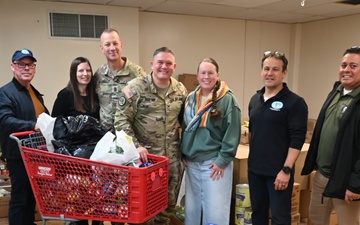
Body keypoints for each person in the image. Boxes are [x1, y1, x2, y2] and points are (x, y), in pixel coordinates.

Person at [114, 47, 188, 225]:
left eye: (168, 63)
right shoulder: (135, 88)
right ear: (152, 64)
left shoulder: (180, 90)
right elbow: (121, 121)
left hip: (171, 161)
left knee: (168, 205)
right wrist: (136, 146)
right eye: (160, 62)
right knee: (143, 208)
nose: (164, 66)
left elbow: (185, 123)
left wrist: (186, 152)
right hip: (145, 161)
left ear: (174, 66)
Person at [301, 46, 360, 225]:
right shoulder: (335, 92)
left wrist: (356, 184)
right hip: (322, 176)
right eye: (343, 65)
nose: (346, 69)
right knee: (317, 219)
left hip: (346, 181)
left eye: (353, 65)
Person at [248, 51, 308, 225]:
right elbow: (253, 133)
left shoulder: (295, 103)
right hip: (255, 171)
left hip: (279, 173)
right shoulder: (255, 100)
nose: (270, 73)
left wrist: (286, 170)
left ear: (284, 72)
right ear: (261, 71)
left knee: (280, 218)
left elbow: (297, 138)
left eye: (275, 69)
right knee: (258, 215)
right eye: (266, 69)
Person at [181, 58, 241, 225]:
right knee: (191, 212)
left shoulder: (227, 99)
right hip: (192, 163)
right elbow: (184, 128)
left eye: (210, 73)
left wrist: (222, 160)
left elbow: (233, 132)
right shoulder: (191, 98)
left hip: (215, 164)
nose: (206, 76)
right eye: (203, 73)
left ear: (217, 75)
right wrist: (183, 154)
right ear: (197, 76)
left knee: (215, 213)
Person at [0, 48, 48, 225]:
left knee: (32, 196)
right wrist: (32, 125)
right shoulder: (5, 92)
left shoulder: (33, 92)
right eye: (21, 64)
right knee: (20, 198)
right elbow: (5, 120)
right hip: (17, 154)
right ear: (13, 67)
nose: (26, 68)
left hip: (34, 153)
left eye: (30, 65)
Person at [51, 56, 102, 225]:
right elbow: (56, 124)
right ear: (73, 73)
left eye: (88, 70)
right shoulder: (66, 95)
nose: (85, 74)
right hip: (73, 159)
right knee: (76, 202)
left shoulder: (94, 95)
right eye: (81, 70)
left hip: (93, 156)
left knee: (95, 199)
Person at [95, 28, 146, 132]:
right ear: (101, 49)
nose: (112, 48)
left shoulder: (137, 73)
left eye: (115, 43)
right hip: (105, 136)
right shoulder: (99, 74)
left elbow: (147, 104)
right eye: (107, 44)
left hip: (130, 135)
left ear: (121, 45)